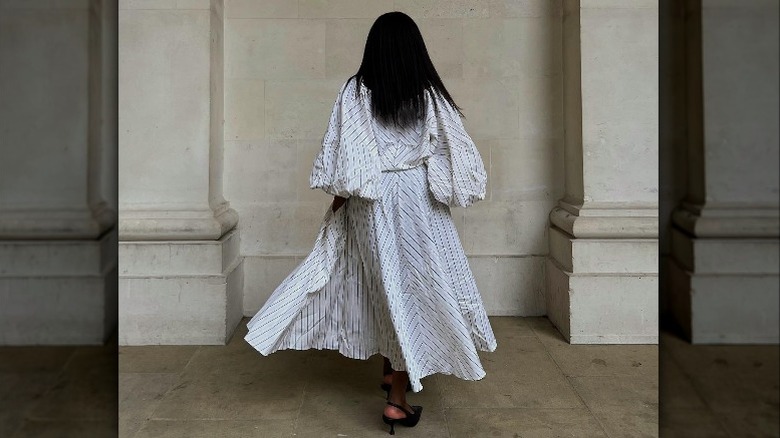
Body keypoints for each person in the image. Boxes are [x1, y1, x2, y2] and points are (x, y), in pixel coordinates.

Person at [244, 11, 497, 435]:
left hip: (372, 199)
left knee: (378, 279)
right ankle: (397, 400)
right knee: (413, 286)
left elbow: (350, 155)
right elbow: (451, 151)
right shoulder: (428, 93)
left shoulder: (356, 91)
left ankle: (389, 372)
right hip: (417, 198)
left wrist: (340, 202)